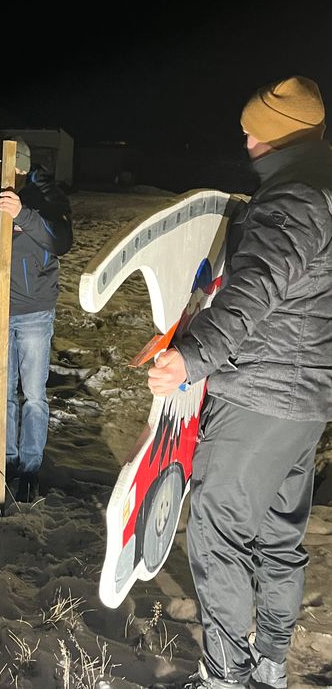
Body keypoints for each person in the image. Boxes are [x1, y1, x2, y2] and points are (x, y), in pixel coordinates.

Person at [148, 75, 332, 689]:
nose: (245, 135)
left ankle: (226, 673)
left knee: (218, 527)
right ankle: (272, 664)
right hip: (306, 400)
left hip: (262, 392)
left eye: (253, 127)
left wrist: (192, 355)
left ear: (277, 136)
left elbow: (256, 289)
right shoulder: (321, 191)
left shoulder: (293, 201)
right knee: (279, 535)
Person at [0, 138, 72, 502]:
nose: (5, 176)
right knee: (2, 394)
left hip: (34, 312)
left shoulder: (49, 197)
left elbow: (60, 241)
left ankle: (29, 468)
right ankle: (5, 463)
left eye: (13, 171)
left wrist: (23, 213)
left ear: (25, 170)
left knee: (34, 396)